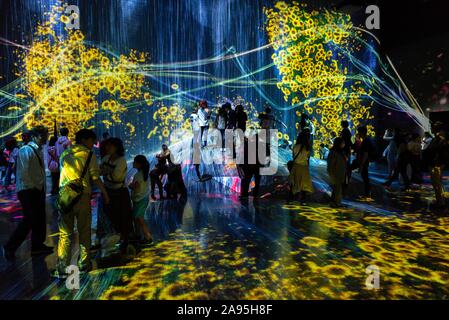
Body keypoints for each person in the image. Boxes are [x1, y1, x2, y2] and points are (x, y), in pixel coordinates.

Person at [54, 129, 110, 277]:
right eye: (92, 140)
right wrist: (105, 193)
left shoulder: (65, 153)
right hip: (82, 196)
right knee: (84, 230)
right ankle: (84, 264)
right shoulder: (88, 154)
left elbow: (63, 174)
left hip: (65, 196)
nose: (94, 144)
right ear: (85, 140)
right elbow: (95, 177)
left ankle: (61, 267)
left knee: (65, 234)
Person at [2, 126, 52, 260]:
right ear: (35, 136)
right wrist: (33, 187)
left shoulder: (38, 150)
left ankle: (37, 246)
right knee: (29, 219)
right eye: (44, 136)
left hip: (37, 189)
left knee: (40, 218)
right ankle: (10, 246)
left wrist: (40, 188)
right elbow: (24, 172)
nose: (46, 138)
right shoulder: (26, 150)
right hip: (28, 190)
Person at [101, 138, 133, 254]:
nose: (107, 148)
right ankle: (115, 238)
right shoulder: (105, 158)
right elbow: (101, 172)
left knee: (122, 217)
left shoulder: (121, 160)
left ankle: (124, 240)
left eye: (110, 146)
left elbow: (117, 177)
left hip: (119, 193)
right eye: (106, 146)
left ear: (116, 147)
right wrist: (108, 171)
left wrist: (106, 171)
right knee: (110, 216)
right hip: (107, 191)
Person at [129, 155, 153, 245]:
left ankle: (148, 237)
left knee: (140, 219)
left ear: (139, 164)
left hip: (139, 199)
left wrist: (130, 185)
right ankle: (138, 234)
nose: (133, 163)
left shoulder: (138, 175)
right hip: (143, 198)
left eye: (134, 162)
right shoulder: (144, 173)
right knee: (137, 218)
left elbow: (137, 188)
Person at [425, 122, 449, 208]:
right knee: (436, 183)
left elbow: (442, 152)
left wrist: (442, 163)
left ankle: (440, 202)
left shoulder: (441, 139)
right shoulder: (437, 139)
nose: (431, 129)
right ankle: (440, 200)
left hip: (436, 164)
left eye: (432, 128)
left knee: (436, 183)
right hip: (434, 164)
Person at [289, 129, 314, 204]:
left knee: (294, 183)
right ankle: (303, 201)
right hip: (304, 167)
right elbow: (308, 158)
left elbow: (293, 156)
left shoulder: (295, 146)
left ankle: (290, 199)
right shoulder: (307, 148)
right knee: (304, 185)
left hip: (296, 167)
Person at [238, 133, 263, 199]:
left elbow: (243, 155)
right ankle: (252, 195)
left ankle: (245, 195)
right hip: (252, 166)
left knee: (246, 181)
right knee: (250, 181)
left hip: (251, 166)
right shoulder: (260, 145)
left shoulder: (250, 144)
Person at [351, 126, 373, 198]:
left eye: (359, 132)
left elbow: (365, 153)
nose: (358, 133)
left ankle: (367, 193)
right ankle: (368, 193)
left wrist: (361, 164)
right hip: (362, 162)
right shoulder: (366, 140)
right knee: (365, 177)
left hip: (363, 162)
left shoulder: (366, 140)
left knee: (365, 177)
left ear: (362, 132)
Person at [327, 137, 347, 207]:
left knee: (336, 189)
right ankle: (337, 203)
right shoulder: (334, 153)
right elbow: (330, 165)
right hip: (336, 175)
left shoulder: (340, 152)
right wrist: (331, 174)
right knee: (337, 189)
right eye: (343, 143)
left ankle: (334, 202)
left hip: (340, 174)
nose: (344, 144)